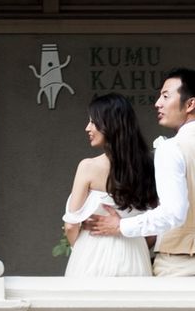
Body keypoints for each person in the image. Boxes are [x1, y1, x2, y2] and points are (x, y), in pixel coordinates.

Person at [85, 68, 195, 276]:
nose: (158, 103)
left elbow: (173, 213)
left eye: (166, 96)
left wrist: (121, 225)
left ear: (190, 104)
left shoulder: (172, 148)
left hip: (179, 266)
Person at [61, 93, 156, 277]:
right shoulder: (148, 167)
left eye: (93, 122)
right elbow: (153, 229)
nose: (87, 128)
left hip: (92, 254)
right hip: (135, 255)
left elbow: (71, 226)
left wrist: (81, 250)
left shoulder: (88, 167)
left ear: (111, 124)